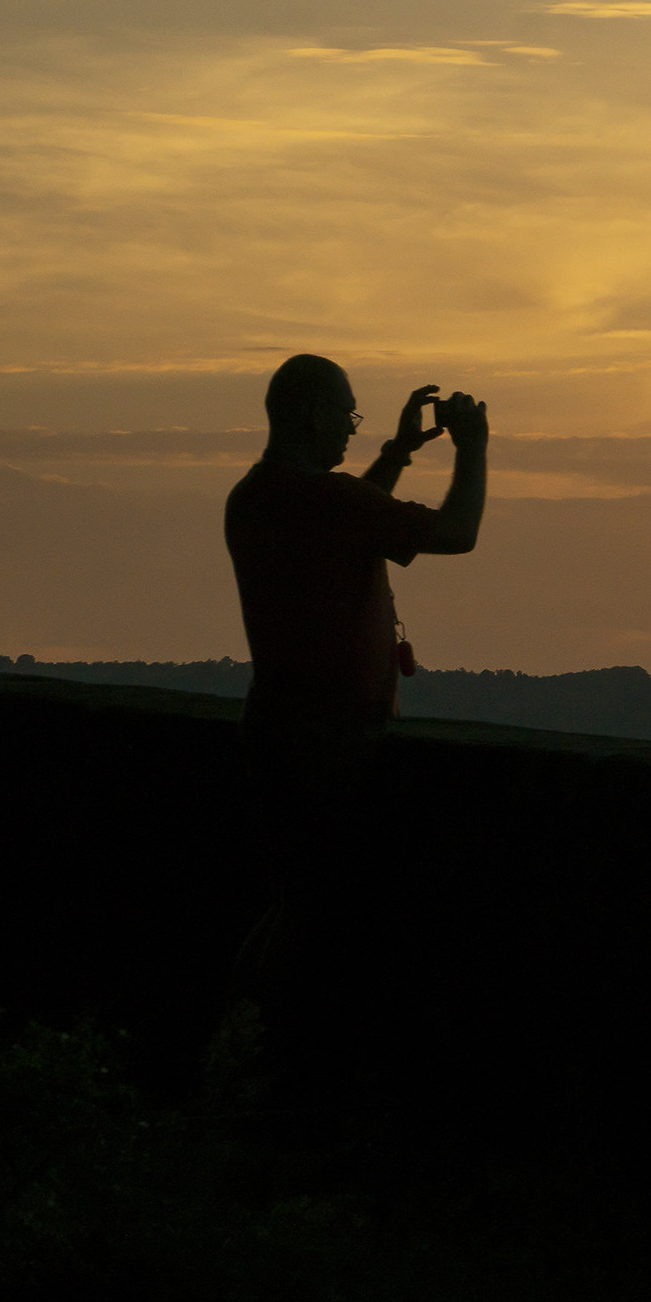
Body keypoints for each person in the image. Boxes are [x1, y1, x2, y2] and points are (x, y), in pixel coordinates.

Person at [208, 353, 488, 1112]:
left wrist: (396, 454)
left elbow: (349, 512)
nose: (348, 428)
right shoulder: (317, 500)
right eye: (346, 414)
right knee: (320, 913)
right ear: (310, 414)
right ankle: (270, 1073)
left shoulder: (256, 497)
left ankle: (240, 1054)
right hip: (331, 743)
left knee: (294, 901)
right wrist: (473, 447)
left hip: (276, 729)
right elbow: (458, 533)